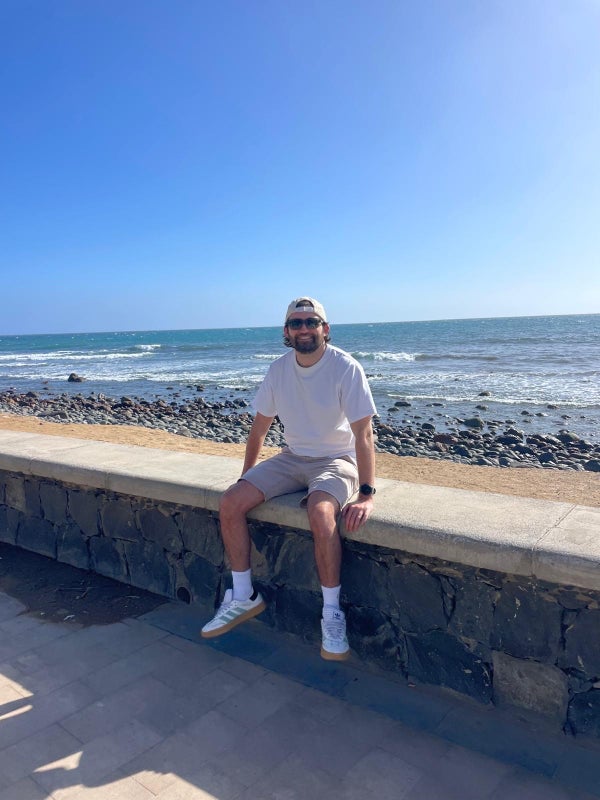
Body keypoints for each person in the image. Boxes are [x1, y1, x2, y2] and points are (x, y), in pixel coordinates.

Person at [201, 297, 377, 660]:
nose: (304, 329)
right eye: (296, 323)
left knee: (321, 512)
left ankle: (332, 613)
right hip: (292, 457)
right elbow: (259, 429)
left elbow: (364, 434)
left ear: (325, 329)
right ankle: (243, 595)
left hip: (336, 459)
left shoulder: (346, 367)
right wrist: (246, 478)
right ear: (286, 331)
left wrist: (366, 494)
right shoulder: (278, 370)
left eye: (312, 322)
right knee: (231, 502)